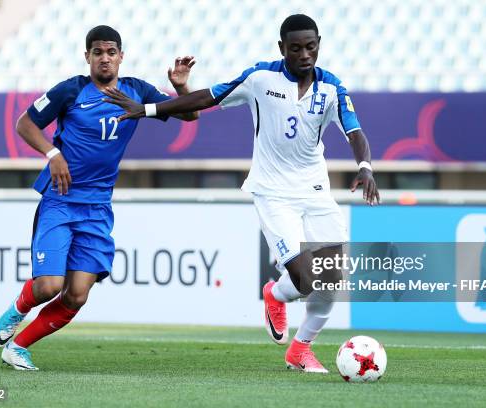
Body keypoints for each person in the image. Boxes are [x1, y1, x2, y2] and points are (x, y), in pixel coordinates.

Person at [103, 14, 380, 373]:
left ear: (318, 45)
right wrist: (149, 109)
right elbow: (206, 98)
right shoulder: (260, 79)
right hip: (273, 192)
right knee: (305, 279)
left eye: (310, 47)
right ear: (282, 48)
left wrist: (365, 167)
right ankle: (276, 294)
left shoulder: (332, 88)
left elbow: (355, 132)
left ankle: (300, 350)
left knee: (332, 279)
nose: (304, 55)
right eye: (295, 48)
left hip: (315, 191)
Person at [0, 25, 199, 370]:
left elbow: (188, 114)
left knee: (76, 294)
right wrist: (52, 155)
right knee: (48, 286)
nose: (105, 58)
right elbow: (24, 124)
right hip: (60, 199)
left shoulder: (137, 90)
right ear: (87, 56)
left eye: (111, 52)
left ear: (121, 57)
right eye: (98, 52)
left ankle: (18, 347)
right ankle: (17, 311)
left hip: (98, 206)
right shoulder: (71, 90)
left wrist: (180, 87)